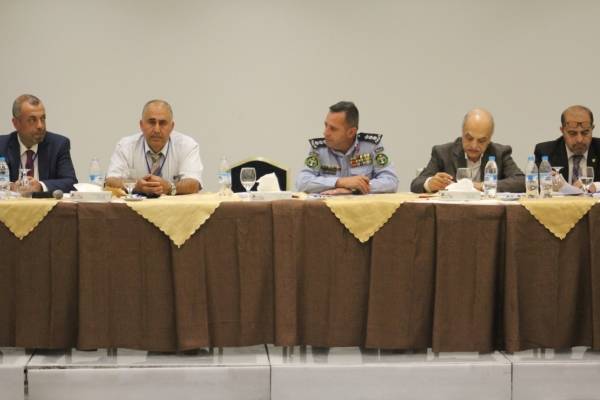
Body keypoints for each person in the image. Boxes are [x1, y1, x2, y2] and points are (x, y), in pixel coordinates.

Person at [411, 108, 524, 193]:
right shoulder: (443, 153)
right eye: (469, 138)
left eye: (481, 141)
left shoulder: (500, 153)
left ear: (489, 139)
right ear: (462, 133)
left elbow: (521, 181)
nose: (474, 145)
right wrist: (430, 184)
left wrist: (482, 185)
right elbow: (416, 183)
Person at [296, 101, 398, 194]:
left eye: (333, 129)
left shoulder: (371, 146)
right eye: (326, 125)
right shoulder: (319, 149)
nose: (325, 133)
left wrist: (353, 189)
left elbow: (391, 181)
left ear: (351, 132)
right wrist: (339, 182)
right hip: (327, 208)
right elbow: (302, 182)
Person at [106, 99, 203, 196]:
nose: (157, 130)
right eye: (152, 122)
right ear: (141, 125)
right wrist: (135, 187)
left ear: (172, 127)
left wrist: (169, 188)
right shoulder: (126, 146)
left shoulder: (187, 146)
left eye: (162, 123)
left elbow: (194, 184)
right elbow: (110, 180)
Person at [0, 94, 78, 193]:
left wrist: (40, 186)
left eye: (42, 118)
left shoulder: (58, 145)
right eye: (32, 120)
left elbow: (71, 182)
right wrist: (9, 186)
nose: (40, 126)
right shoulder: (2, 145)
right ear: (16, 123)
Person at [534, 105, 600, 192]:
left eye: (585, 133)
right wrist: (544, 181)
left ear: (592, 129)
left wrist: (596, 186)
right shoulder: (545, 151)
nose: (579, 139)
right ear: (562, 130)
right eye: (572, 133)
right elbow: (533, 183)